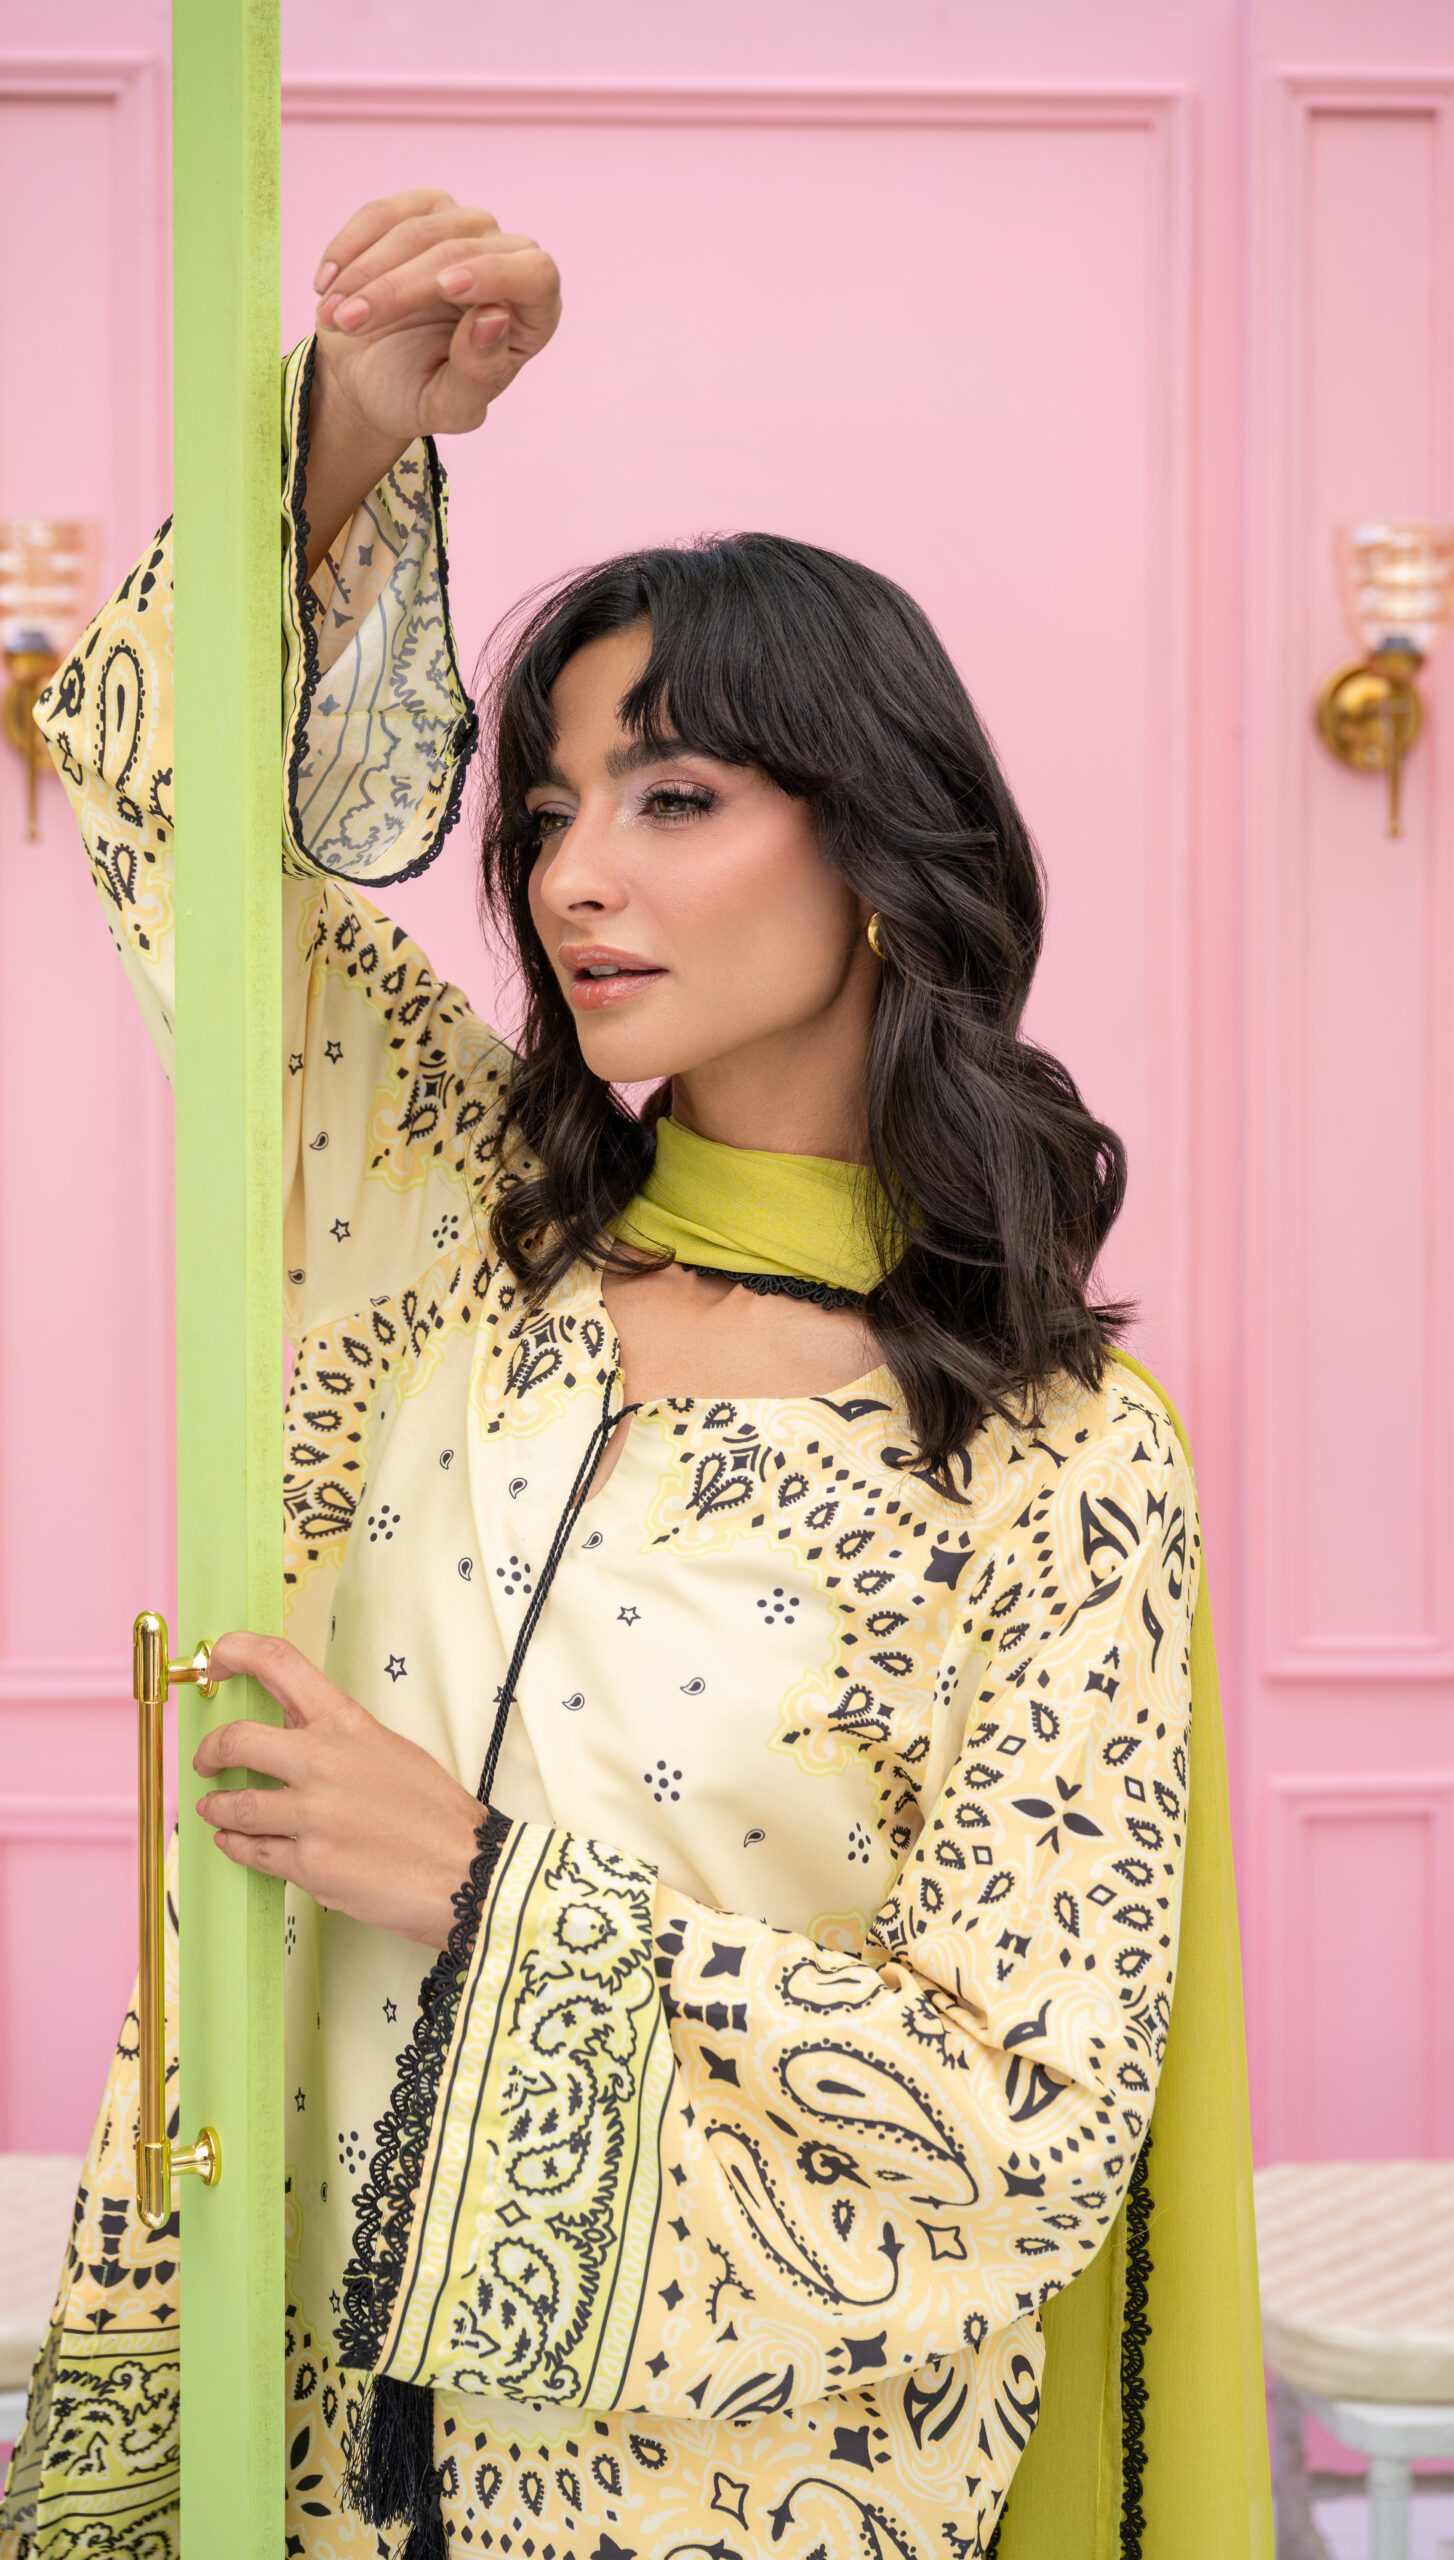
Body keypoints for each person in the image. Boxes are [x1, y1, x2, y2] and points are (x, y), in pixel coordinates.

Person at [0, 190, 1264, 2560]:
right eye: (550, 811)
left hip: (732, 2486)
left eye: (674, 797)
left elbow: (1023, 2117)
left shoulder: (1051, 1452)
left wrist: (487, 1884)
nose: (577, 873)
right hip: (294, 2420)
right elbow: (170, 819)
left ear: (877, 849)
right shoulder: (456, 1231)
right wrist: (357, 420)